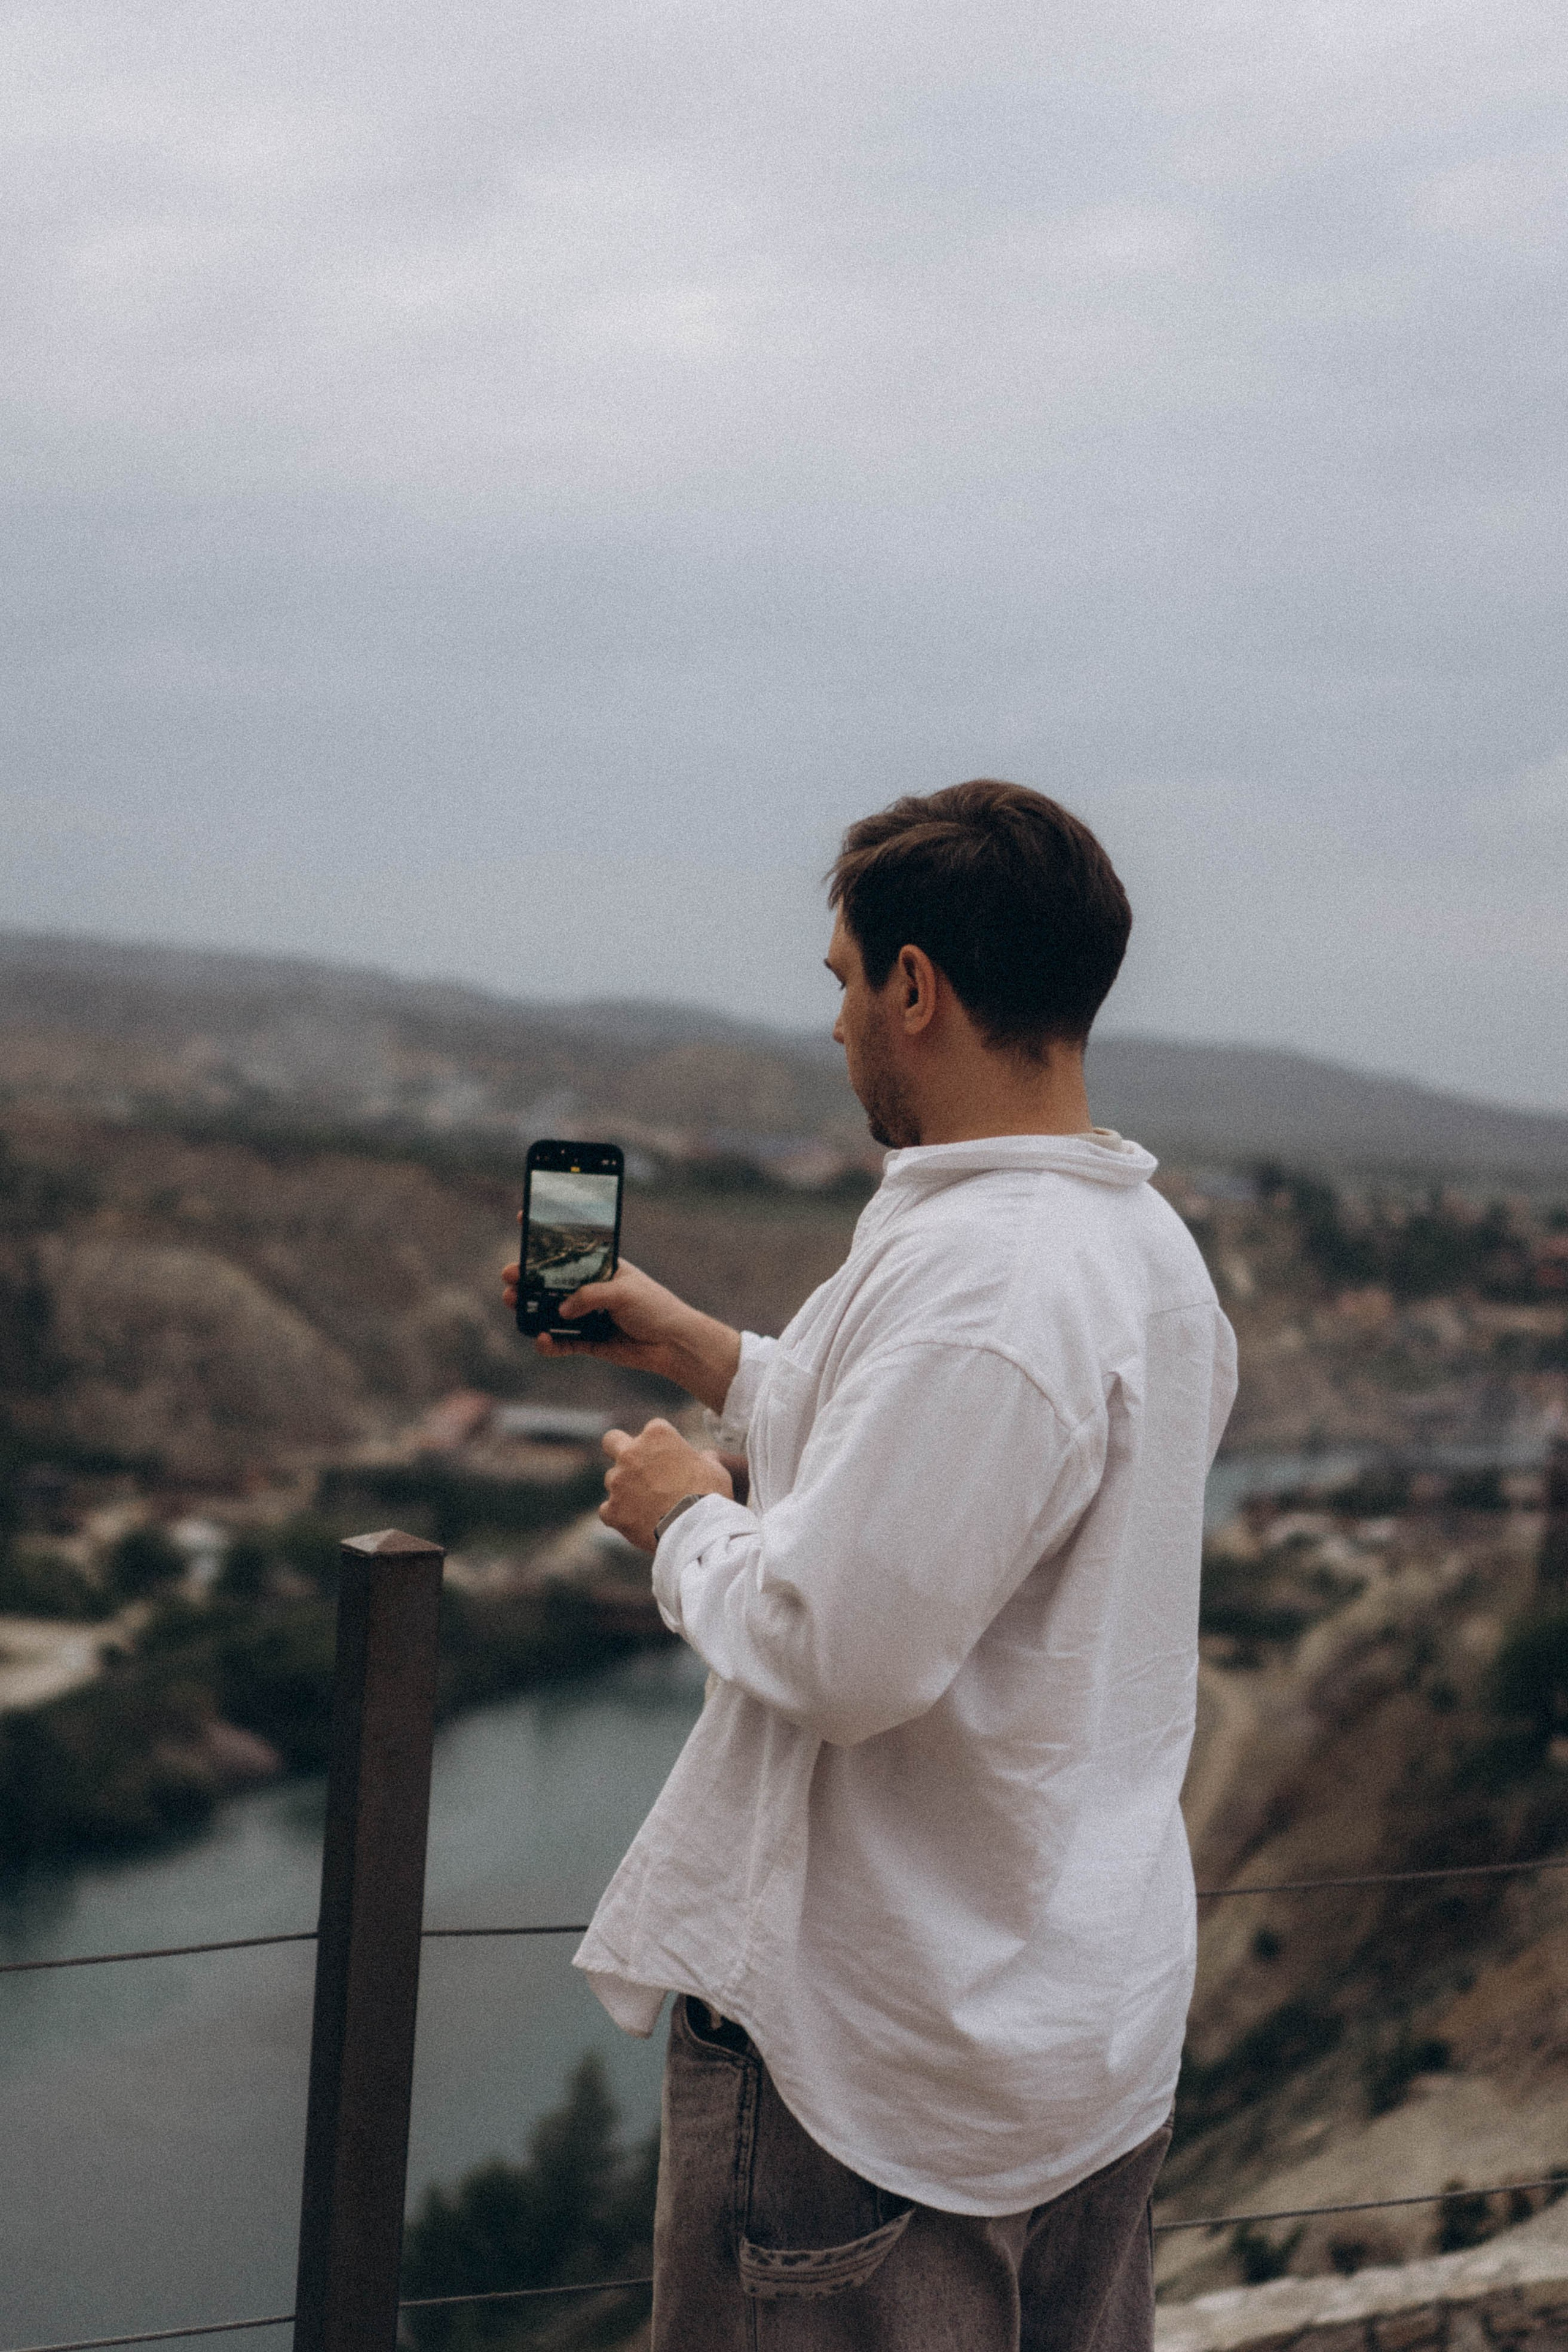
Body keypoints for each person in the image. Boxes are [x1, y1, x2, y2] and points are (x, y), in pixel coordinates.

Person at [502, 779, 1236, 2352]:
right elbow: (957, 1475)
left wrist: (684, 1516)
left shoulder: (986, 1279)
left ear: (915, 988)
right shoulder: (1134, 1248)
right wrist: (703, 1350)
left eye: (843, 980)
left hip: (886, 2082)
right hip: (1071, 2042)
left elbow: (840, 1652)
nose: (836, 1024)